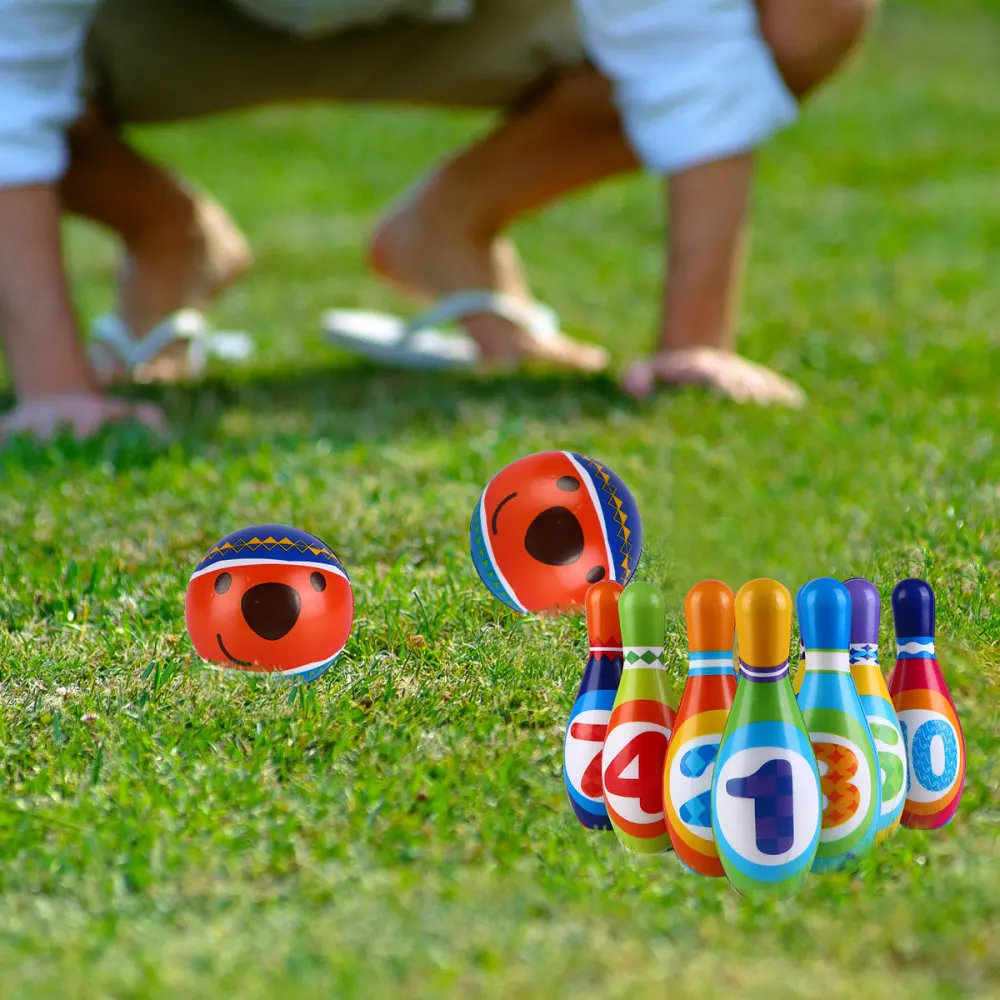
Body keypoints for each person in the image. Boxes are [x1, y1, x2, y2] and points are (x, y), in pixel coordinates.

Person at [0, 0, 877, 443]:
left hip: (471, 17)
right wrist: (55, 389)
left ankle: (452, 225)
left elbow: (686, 44)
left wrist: (697, 342)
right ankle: (165, 234)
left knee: (811, 12)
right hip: (169, 25)